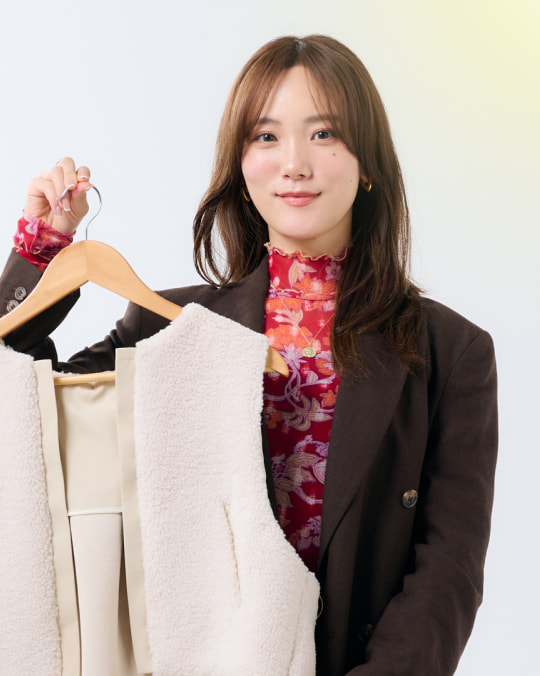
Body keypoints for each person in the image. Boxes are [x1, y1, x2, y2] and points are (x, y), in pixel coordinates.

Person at [0, 35, 497, 675]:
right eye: (266, 136)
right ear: (240, 164)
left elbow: (448, 568)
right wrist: (40, 248)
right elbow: (28, 403)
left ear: (368, 160)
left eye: (324, 133)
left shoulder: (450, 351)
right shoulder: (168, 326)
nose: (294, 163)